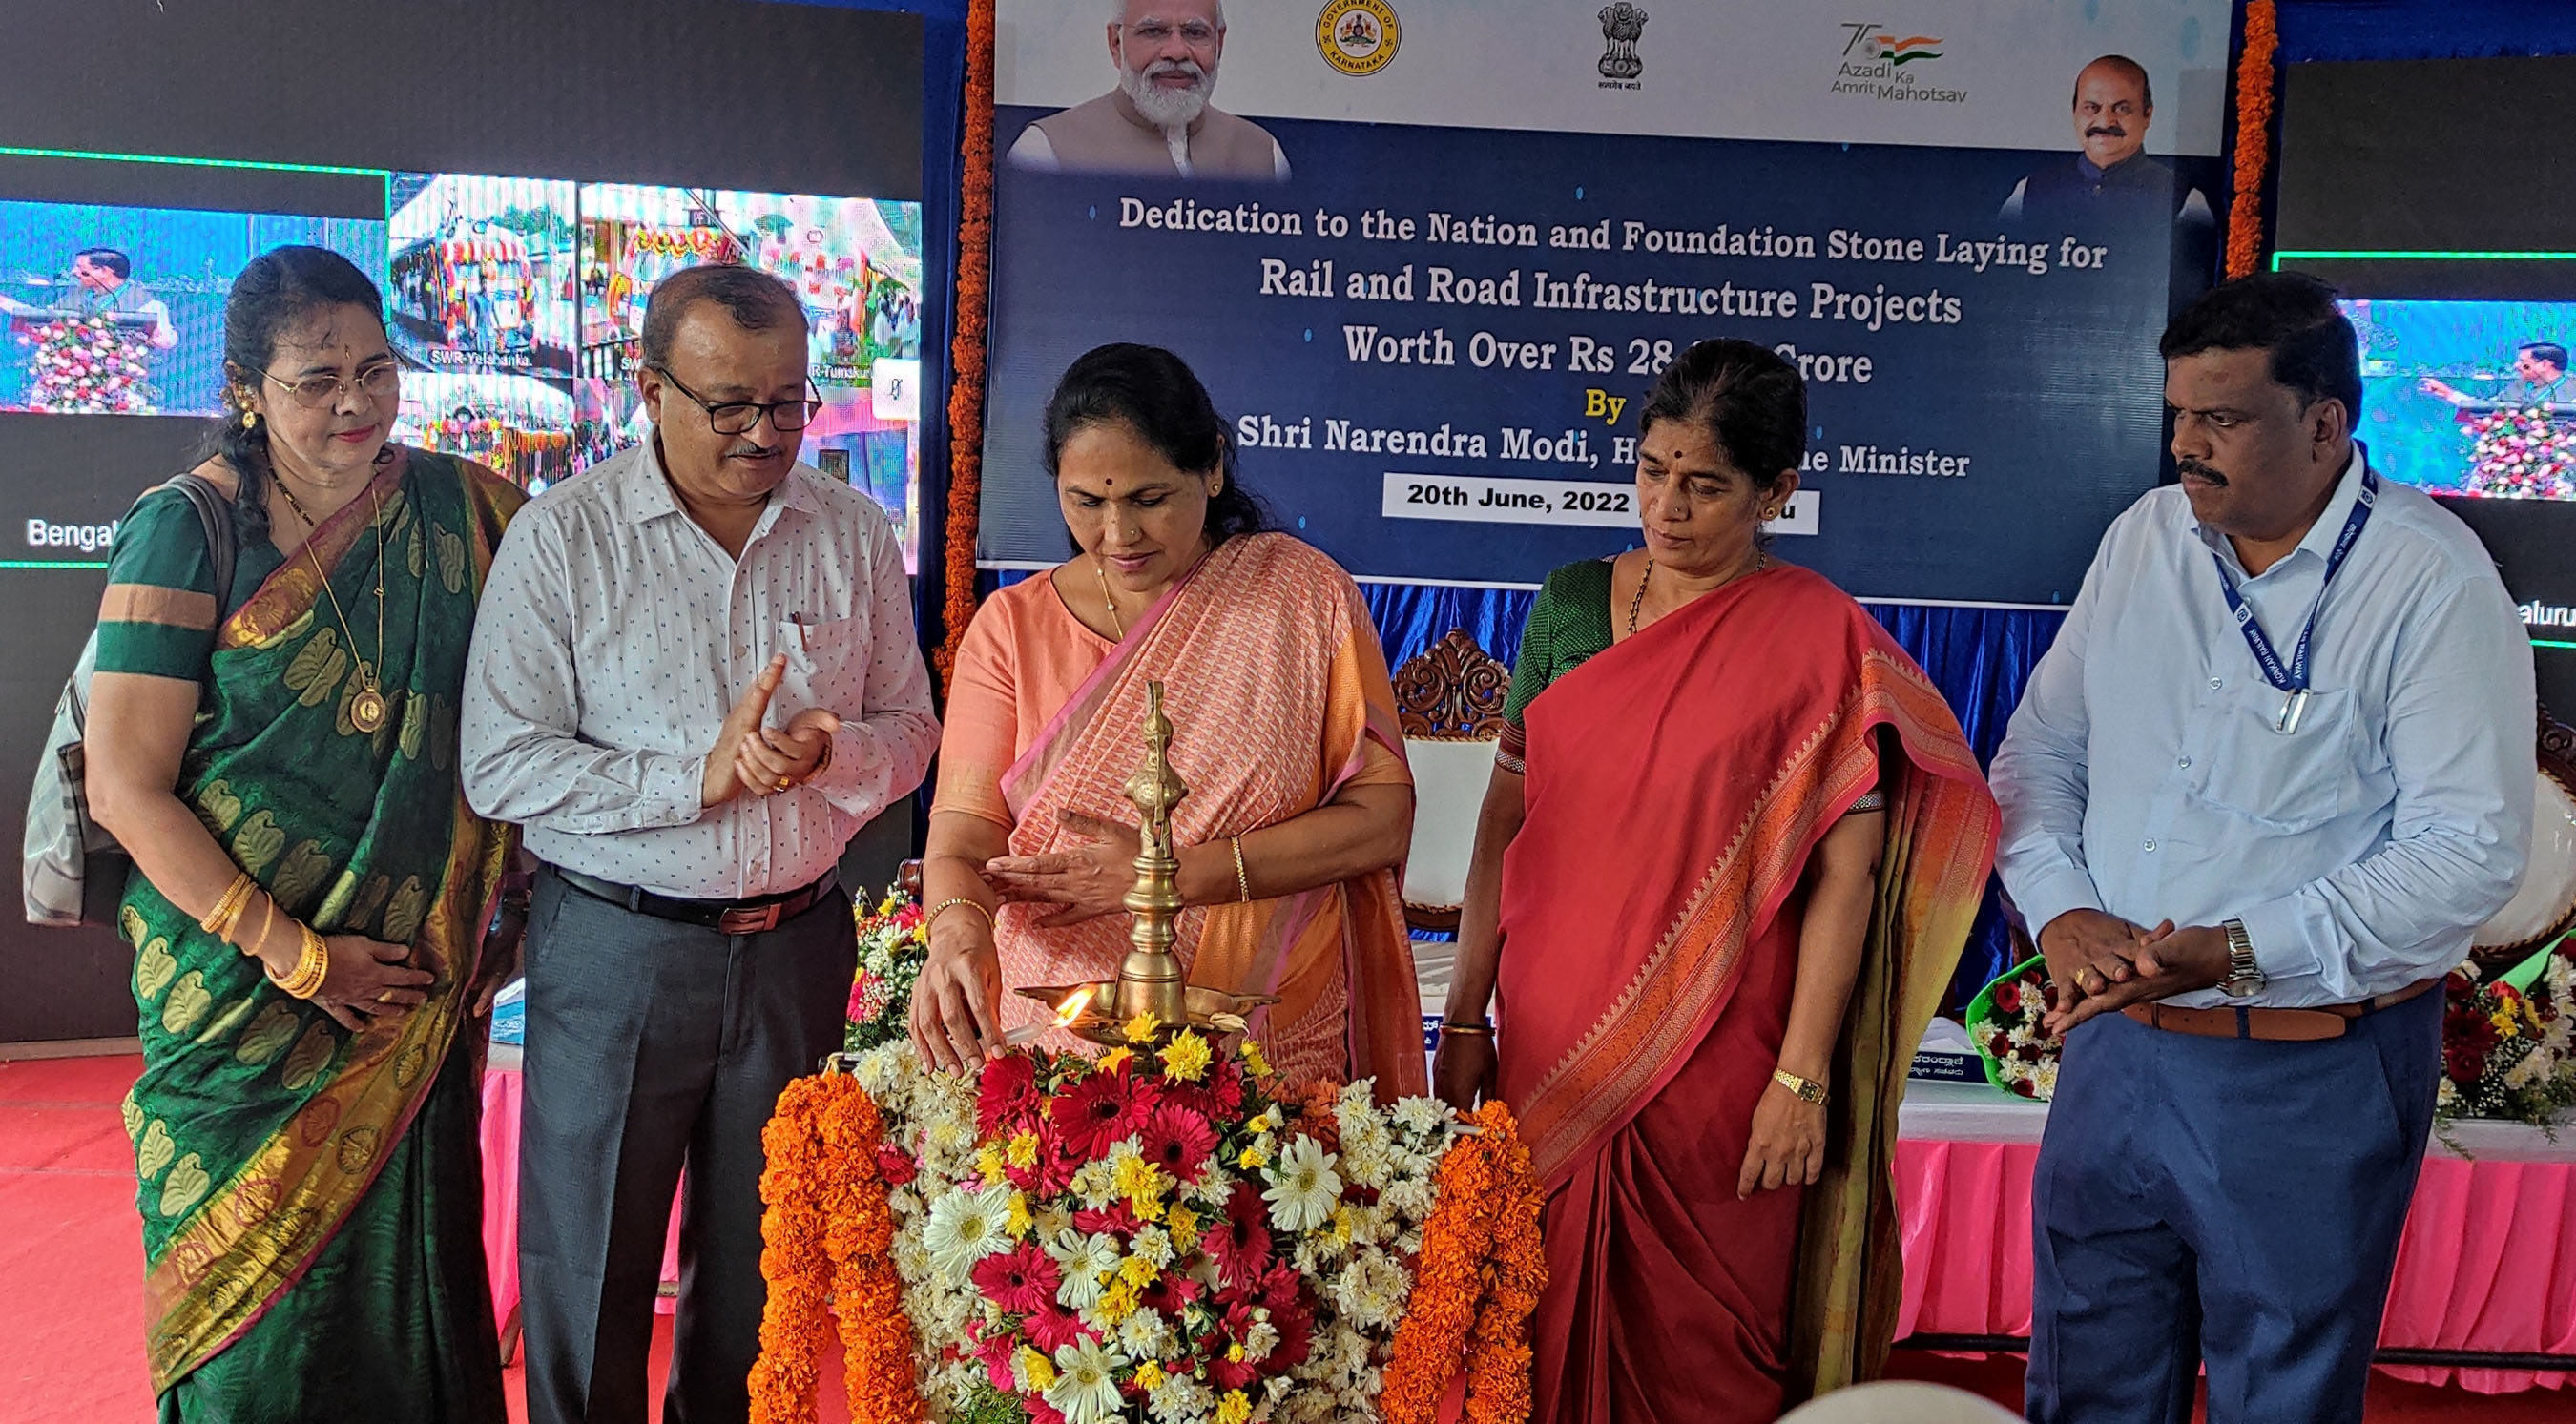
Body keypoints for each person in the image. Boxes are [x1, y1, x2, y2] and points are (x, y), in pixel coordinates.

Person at [1990, 274, 2536, 1422]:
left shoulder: (2431, 580)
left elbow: (2466, 849)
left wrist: (2236, 950)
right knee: (2085, 1385)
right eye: (2179, 416)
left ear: (2327, 422)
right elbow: (2039, 757)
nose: (2188, 447)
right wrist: (2061, 911)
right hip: (2116, 1054)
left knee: (2279, 1399)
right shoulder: (2145, 540)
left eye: (2224, 418)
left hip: (2306, 1064)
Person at [1432, 339, 2001, 1422]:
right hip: (1553, 1021)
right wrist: (1465, 1015)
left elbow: (1849, 874)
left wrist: (1801, 1081)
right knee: (1530, 1309)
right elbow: (1504, 820)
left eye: (1706, 484)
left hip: (1725, 1048)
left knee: (1710, 1340)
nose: (1668, 506)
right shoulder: (1567, 605)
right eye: (1652, 470)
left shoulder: (1817, 637)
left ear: (1777, 490)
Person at [459, 263, 940, 1424]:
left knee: (762, 1276)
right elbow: (501, 763)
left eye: (790, 403)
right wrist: (699, 777)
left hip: (796, 951)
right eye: (731, 405)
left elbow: (915, 732)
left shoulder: (854, 534)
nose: (765, 434)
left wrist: (835, 756)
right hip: (620, 954)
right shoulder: (567, 540)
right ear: (649, 387)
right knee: (591, 1276)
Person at [82, 244, 528, 1420]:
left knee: (407, 1315)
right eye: (314, 378)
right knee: (256, 1359)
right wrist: (298, 954)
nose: (354, 403)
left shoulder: (467, 510)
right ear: (244, 389)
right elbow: (126, 787)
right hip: (243, 1000)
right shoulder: (188, 531)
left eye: (375, 371)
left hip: (410, 992)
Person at [910, 342, 1420, 1095]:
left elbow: (1383, 818)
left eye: (1148, 500)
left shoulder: (1303, 597)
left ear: (1212, 468)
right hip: (1057, 1038)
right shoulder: (1011, 627)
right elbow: (964, 836)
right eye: (1086, 501)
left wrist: (1169, 877)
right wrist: (957, 926)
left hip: (1268, 1025)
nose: (1118, 534)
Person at [1007, 0, 1291, 181]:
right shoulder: (1046, 152)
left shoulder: (1264, 155)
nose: (1177, 52)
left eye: (1195, 33)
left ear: (1219, 44)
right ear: (1115, 44)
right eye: (1153, 32)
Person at [2002, 56, 2213, 232]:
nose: (2105, 122)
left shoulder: (2185, 200)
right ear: (2074, 112)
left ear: (2147, 115)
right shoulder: (2029, 191)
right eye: (2092, 108)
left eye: (2122, 109)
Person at [2420, 340, 2576, 411]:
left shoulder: (2572, 388)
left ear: (2544, 365)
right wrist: (2448, 394)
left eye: (2523, 362)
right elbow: (2486, 408)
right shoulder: (2518, 387)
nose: (2516, 366)